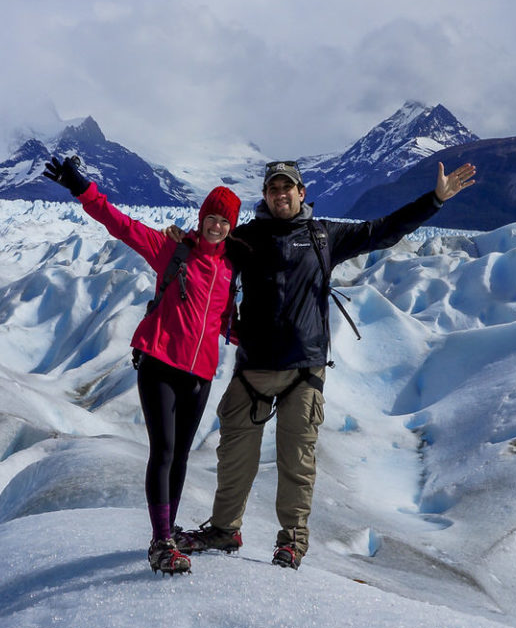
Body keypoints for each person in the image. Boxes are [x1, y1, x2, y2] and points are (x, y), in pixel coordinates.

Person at [177, 158, 476, 568]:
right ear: (265, 195)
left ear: (302, 193)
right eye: (273, 188)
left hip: (304, 370)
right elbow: (207, 252)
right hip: (253, 368)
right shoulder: (245, 239)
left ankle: (292, 541)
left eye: (288, 188)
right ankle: (225, 530)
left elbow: (382, 231)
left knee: (297, 460)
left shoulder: (322, 236)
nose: (280, 194)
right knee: (233, 455)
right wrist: (181, 241)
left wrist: (435, 201)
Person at [42, 154, 241, 575]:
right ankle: (161, 542)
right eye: (213, 217)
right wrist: (83, 188)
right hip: (160, 363)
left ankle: (167, 533)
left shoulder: (228, 271)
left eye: (226, 221)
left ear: (231, 228)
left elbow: (228, 324)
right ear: (202, 217)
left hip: (200, 375)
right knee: (164, 450)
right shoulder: (173, 250)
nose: (217, 225)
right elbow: (121, 225)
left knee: (182, 456)